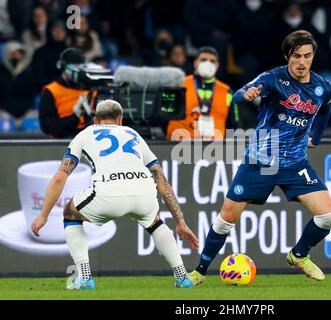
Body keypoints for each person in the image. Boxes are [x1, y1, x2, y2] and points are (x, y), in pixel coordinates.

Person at [189, 30, 331, 285]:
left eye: (308, 56)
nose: (302, 62)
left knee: (328, 216)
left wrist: (317, 137)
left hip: (295, 163)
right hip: (261, 161)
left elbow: (325, 108)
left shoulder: (322, 87)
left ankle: (299, 255)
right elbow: (238, 95)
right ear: (287, 56)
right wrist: (245, 96)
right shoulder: (272, 79)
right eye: (297, 56)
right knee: (226, 218)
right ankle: (199, 271)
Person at [31, 99, 199, 290]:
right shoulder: (132, 133)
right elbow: (162, 182)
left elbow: (60, 178)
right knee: (155, 222)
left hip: (108, 192)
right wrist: (180, 221)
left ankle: (85, 277)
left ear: (95, 120)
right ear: (120, 120)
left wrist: (44, 215)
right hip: (142, 190)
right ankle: (182, 277)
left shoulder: (85, 134)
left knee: (70, 213)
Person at [166, 46, 238, 140]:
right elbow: (164, 117)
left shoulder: (227, 92)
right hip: (178, 147)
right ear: (195, 63)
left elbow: (233, 125)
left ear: (218, 65)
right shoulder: (178, 85)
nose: (208, 64)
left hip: (214, 150)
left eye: (212, 61)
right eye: (203, 60)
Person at [38, 47, 92, 139]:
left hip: (89, 139)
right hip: (63, 141)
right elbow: (48, 127)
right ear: (63, 67)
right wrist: (75, 117)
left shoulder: (90, 89)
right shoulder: (51, 91)